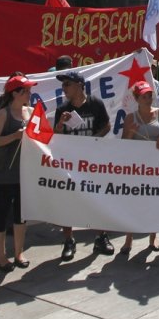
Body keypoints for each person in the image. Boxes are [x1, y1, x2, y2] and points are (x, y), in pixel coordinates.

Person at [54, 71, 112, 256]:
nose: (64, 88)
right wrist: (60, 125)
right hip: (70, 164)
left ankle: (100, 238)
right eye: (63, 85)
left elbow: (107, 126)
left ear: (80, 85)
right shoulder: (62, 109)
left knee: (96, 200)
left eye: (67, 84)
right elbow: (57, 137)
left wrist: (94, 139)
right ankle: (69, 241)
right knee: (67, 203)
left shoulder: (95, 104)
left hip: (93, 163)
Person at [0, 75, 34, 271]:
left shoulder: (30, 112)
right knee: (2, 212)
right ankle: (1, 255)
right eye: (26, 90)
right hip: (6, 171)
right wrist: (15, 136)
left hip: (24, 171)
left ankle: (19, 252)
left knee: (21, 214)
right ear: (16, 93)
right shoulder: (3, 114)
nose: (30, 93)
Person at [120, 82, 159, 252]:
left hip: (156, 168)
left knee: (155, 203)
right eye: (144, 96)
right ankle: (128, 239)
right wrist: (131, 133)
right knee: (134, 204)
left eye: (149, 95)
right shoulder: (130, 118)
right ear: (136, 99)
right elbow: (123, 144)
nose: (148, 99)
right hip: (137, 168)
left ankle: (153, 238)